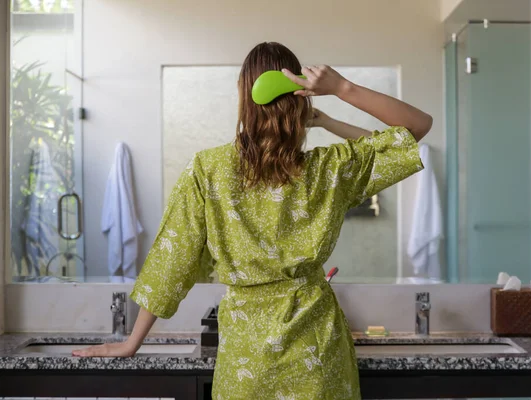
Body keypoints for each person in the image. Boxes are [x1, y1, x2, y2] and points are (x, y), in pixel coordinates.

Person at [73, 42, 432, 400]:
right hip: (316, 356)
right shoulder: (329, 169)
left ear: (243, 96)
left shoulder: (207, 170)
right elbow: (414, 129)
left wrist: (132, 342)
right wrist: (340, 91)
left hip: (247, 362)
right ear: (302, 98)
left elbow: (171, 263)